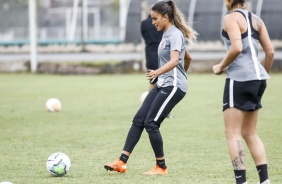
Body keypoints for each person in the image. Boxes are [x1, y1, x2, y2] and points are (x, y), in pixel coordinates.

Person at [104, 0, 197, 175]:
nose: (152, 22)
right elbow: (188, 57)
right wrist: (172, 74)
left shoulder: (175, 34)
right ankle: (121, 162)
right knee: (139, 119)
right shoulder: (167, 34)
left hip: (173, 87)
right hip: (164, 84)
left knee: (151, 123)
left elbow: (176, 60)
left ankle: (161, 167)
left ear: (165, 17)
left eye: (155, 19)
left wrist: (163, 74)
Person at [212, 0, 274, 184]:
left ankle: (242, 182)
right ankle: (265, 181)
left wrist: (221, 66)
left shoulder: (231, 18)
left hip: (239, 79)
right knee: (250, 133)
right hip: (259, 79)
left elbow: (237, 48)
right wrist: (261, 76)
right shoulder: (257, 20)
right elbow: (270, 53)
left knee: (233, 133)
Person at [141, 7, 163, 91]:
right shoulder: (162, 22)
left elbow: (144, 36)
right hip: (163, 54)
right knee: (165, 81)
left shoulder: (144, 23)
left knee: (153, 82)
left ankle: (149, 101)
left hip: (150, 55)